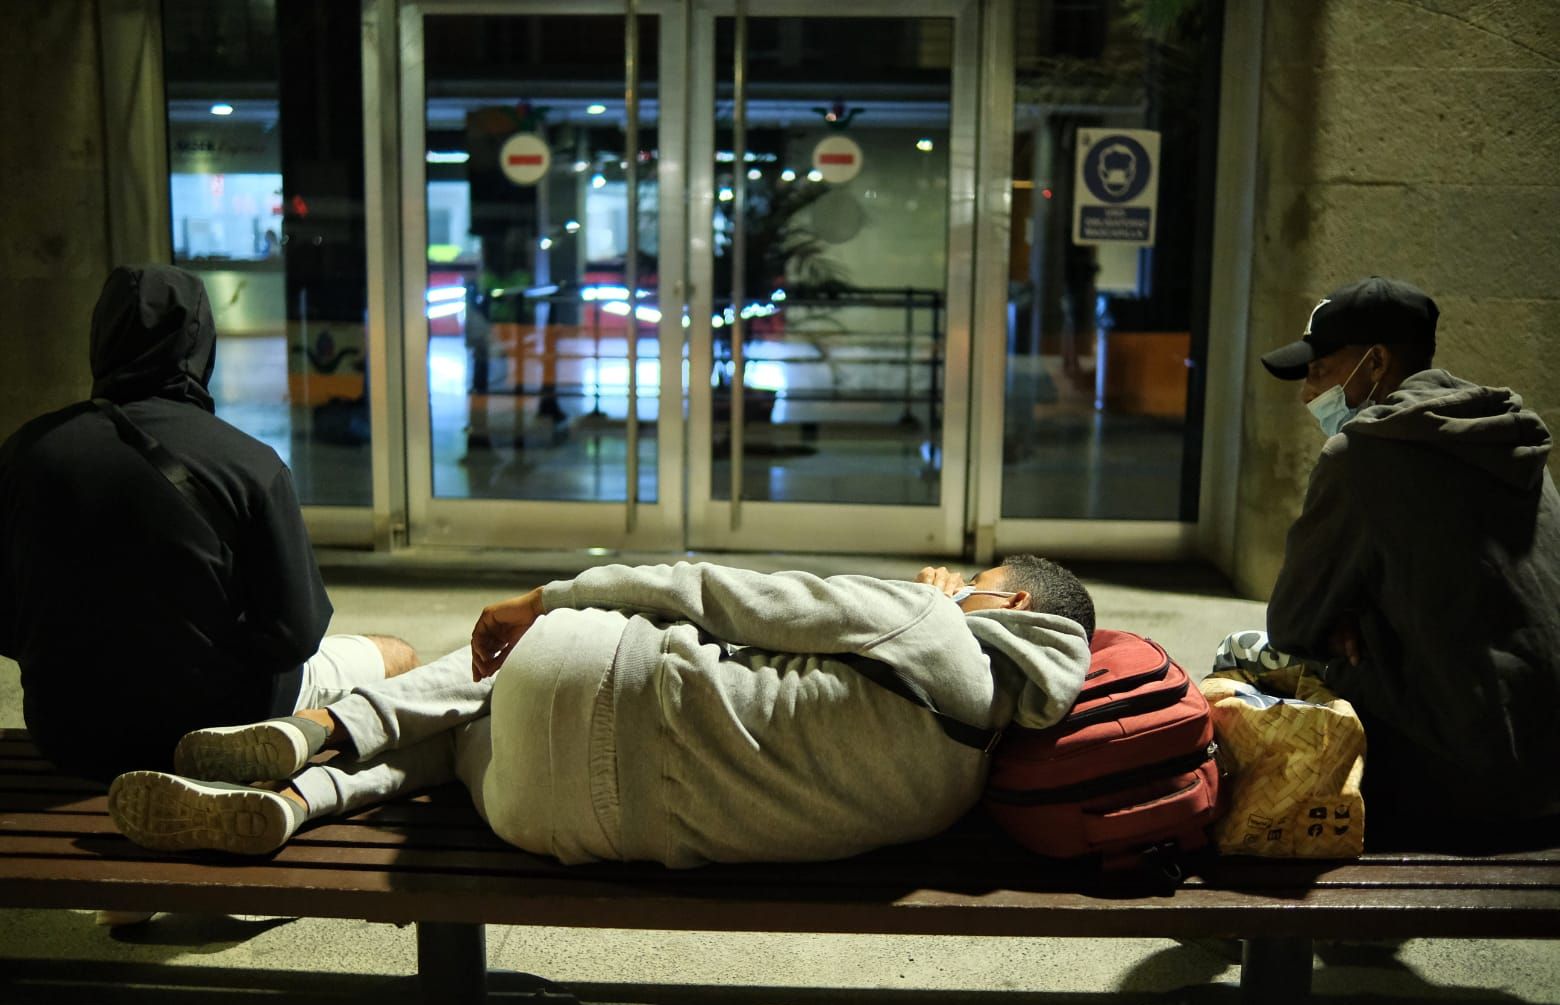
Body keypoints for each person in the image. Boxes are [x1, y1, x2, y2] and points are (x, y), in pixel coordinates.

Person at [105, 556, 1095, 866]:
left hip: (575, 692)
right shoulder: (961, 783)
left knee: (515, 663)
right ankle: (302, 799)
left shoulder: (928, 623)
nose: (950, 576)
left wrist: (557, 590)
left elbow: (715, 588)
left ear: (1005, 603)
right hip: (557, 820)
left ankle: (320, 732)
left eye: (975, 573)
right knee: (462, 745)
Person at [0, 265, 418, 787]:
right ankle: (303, 762)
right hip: (214, 728)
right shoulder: (248, 464)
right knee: (397, 657)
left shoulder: (24, 453)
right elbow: (296, 634)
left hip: (67, 735)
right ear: (200, 344)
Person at [1253, 274, 1560, 838]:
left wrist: (1345, 617)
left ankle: (1264, 921)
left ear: (1375, 363)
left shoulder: (1363, 454)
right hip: (1549, 774)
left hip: (1461, 784)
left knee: (1245, 664)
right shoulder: (1510, 438)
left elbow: (1291, 624)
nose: (1306, 394)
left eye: (1319, 370)